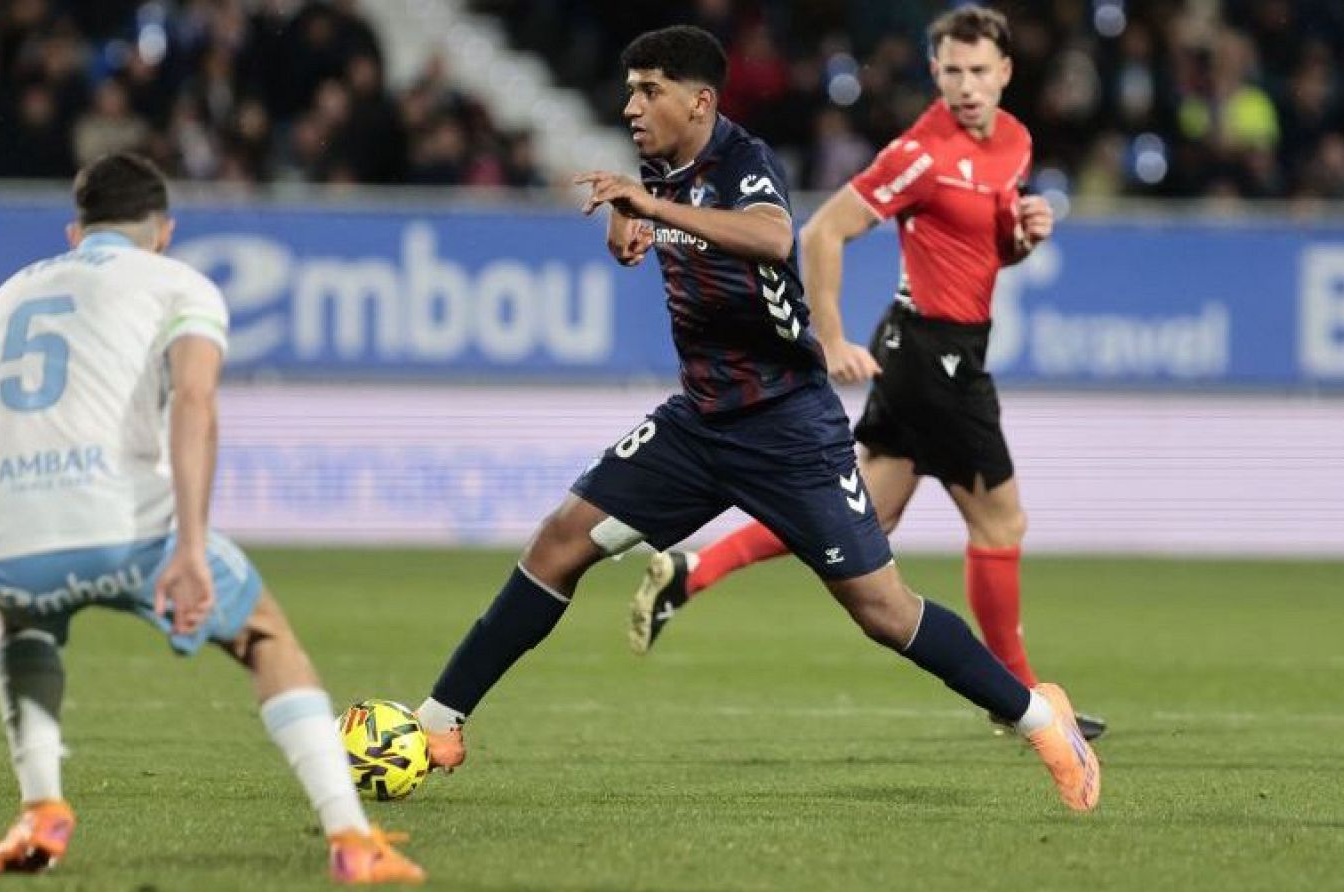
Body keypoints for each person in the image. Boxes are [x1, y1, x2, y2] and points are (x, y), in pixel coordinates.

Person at [413, 25, 1100, 813]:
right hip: (700, 421)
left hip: (788, 430)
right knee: (560, 542)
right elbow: (663, 230)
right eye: (630, 89)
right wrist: (634, 227)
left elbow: (775, 238)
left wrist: (652, 207)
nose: (631, 105)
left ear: (699, 101)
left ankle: (1042, 721)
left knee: (882, 611)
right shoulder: (659, 168)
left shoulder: (746, 163)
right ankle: (439, 722)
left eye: (649, 90)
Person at [0, 153, 424, 884]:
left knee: (23, 617)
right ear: (163, 231)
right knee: (266, 638)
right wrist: (189, 546)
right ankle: (351, 839)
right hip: (130, 531)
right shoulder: (179, 283)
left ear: (75, 233)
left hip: (5, 549)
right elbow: (195, 405)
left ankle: (40, 809)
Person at [629, 7, 1107, 742]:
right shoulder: (921, 150)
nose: (967, 86)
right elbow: (824, 230)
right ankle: (1018, 698)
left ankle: (696, 569)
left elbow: (987, 249)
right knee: (1000, 521)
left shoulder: (1015, 143)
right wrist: (832, 335)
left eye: (980, 71)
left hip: (947, 346)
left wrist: (1021, 236)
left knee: (863, 519)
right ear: (935, 71)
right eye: (951, 71)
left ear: (1006, 72)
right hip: (932, 355)